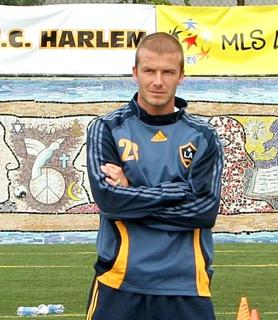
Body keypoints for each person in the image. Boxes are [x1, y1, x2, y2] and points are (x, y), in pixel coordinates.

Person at [85, 32, 224, 320]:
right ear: (135, 73)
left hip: (186, 284)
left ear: (181, 76)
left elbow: (204, 212)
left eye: (168, 72)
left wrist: (132, 192)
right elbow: (109, 201)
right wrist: (178, 190)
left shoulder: (203, 136)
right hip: (119, 279)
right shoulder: (107, 128)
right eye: (149, 70)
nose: (158, 81)